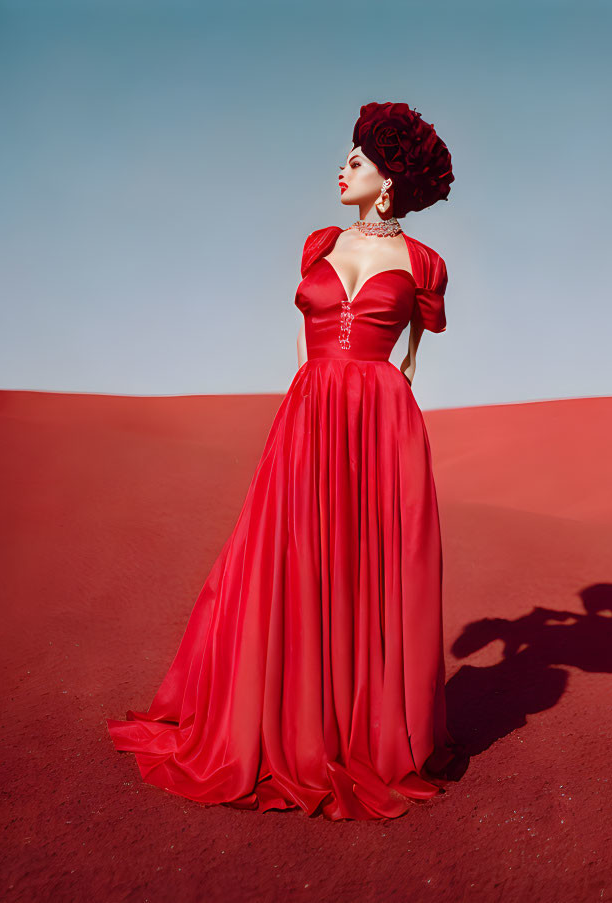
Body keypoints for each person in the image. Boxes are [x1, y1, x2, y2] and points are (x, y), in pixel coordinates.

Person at [106, 102, 462, 820]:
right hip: (307, 414)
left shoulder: (423, 263)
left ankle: (360, 728)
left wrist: (374, 414)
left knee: (370, 566)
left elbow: (412, 361)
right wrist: (303, 411)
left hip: (382, 420)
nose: (342, 169)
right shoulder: (317, 244)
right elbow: (301, 343)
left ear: (387, 179)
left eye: (356, 161)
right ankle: (290, 723)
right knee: (289, 557)